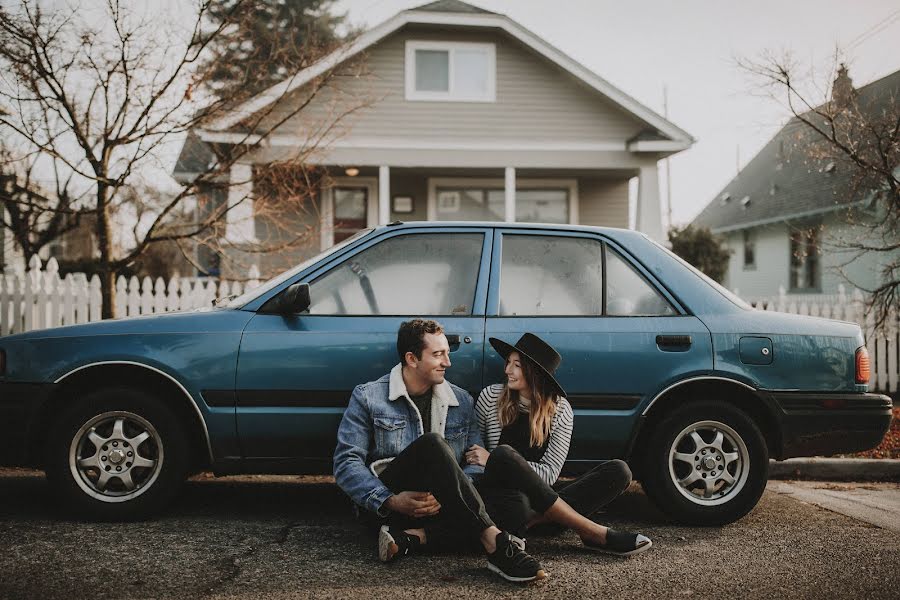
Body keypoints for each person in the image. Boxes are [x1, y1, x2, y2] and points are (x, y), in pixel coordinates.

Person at [333, 319, 547, 582]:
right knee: (433, 444)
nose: (448, 362)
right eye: (438, 355)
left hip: (443, 507)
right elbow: (346, 463)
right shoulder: (368, 397)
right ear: (412, 358)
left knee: (516, 504)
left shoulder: (461, 400)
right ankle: (494, 542)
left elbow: (475, 460)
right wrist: (390, 499)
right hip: (393, 506)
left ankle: (410, 540)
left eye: (447, 353)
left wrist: (452, 491)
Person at [466, 333, 652, 557]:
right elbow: (475, 456)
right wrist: (493, 462)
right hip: (503, 499)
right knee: (511, 478)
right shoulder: (490, 397)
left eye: (517, 365)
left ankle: (535, 520)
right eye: (508, 363)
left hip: (542, 498)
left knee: (619, 471)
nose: (507, 370)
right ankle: (587, 529)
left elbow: (550, 474)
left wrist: (493, 459)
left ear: (534, 372)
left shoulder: (560, 409)